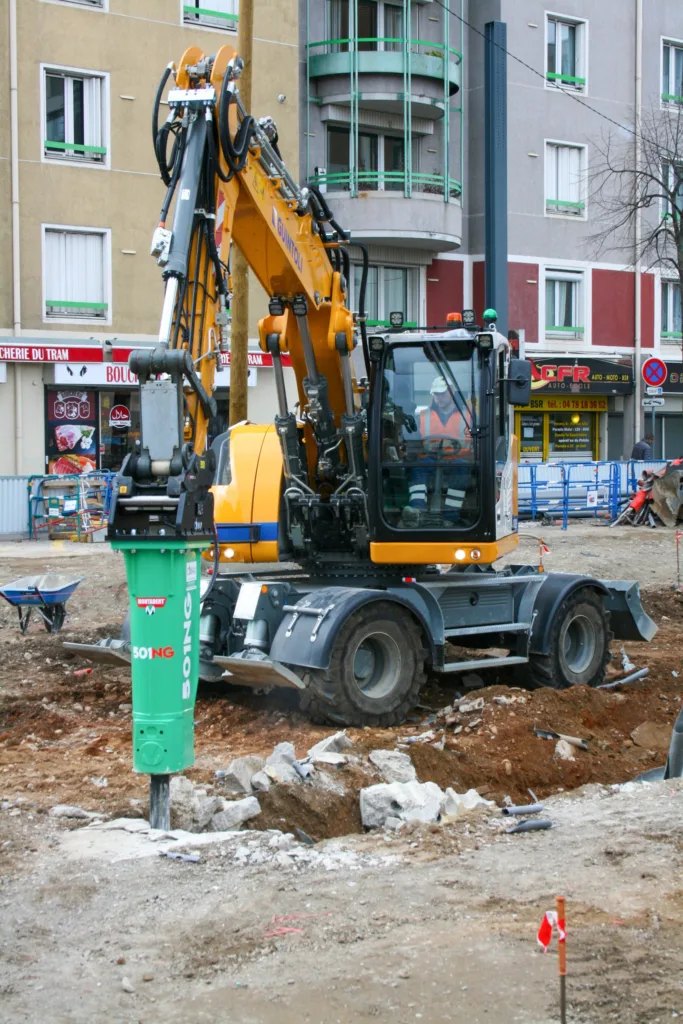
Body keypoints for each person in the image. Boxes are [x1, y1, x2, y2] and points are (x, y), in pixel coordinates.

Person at [404, 375, 472, 524]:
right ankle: (417, 511)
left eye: (442, 394)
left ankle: (450, 517)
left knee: (462, 470)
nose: (438, 398)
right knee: (417, 468)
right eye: (436, 394)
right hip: (430, 459)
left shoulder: (468, 417)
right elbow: (413, 442)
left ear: (452, 392)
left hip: (457, 461)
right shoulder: (422, 417)